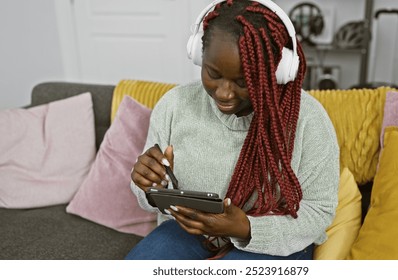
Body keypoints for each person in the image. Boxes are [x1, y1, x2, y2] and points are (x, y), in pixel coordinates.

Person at [126, 0, 339, 260]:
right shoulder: (174, 105)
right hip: (189, 232)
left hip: (276, 240)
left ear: (279, 70)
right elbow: (150, 194)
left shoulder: (309, 120)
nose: (224, 93)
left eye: (243, 81)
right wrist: (149, 185)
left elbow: (318, 211)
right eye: (213, 74)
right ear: (197, 55)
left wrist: (245, 228)